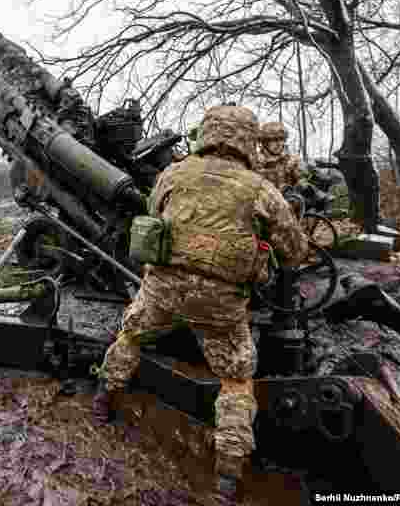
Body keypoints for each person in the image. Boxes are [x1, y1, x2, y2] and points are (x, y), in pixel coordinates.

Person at [92, 105, 308, 504]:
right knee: (236, 378)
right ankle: (227, 476)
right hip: (220, 305)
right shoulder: (259, 188)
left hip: (162, 291)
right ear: (248, 140)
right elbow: (294, 251)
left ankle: (103, 400)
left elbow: (154, 213)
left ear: (206, 134)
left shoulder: (173, 173)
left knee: (130, 337)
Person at [256, 121, 302, 193]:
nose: (279, 144)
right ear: (264, 142)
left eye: (281, 139)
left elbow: (303, 185)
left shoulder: (291, 161)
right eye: (274, 140)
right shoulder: (256, 162)